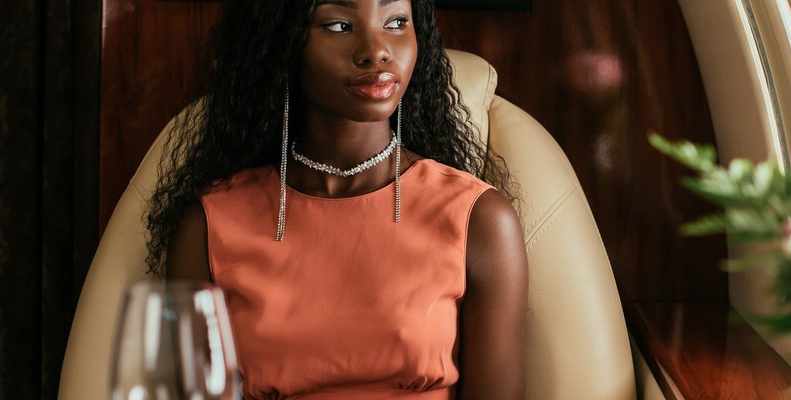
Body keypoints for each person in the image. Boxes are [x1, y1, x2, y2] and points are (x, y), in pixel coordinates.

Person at [144, 0, 528, 398]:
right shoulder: (207, 226)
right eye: (340, 26)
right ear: (284, 42)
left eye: (396, 21)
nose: (376, 50)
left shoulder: (478, 220)